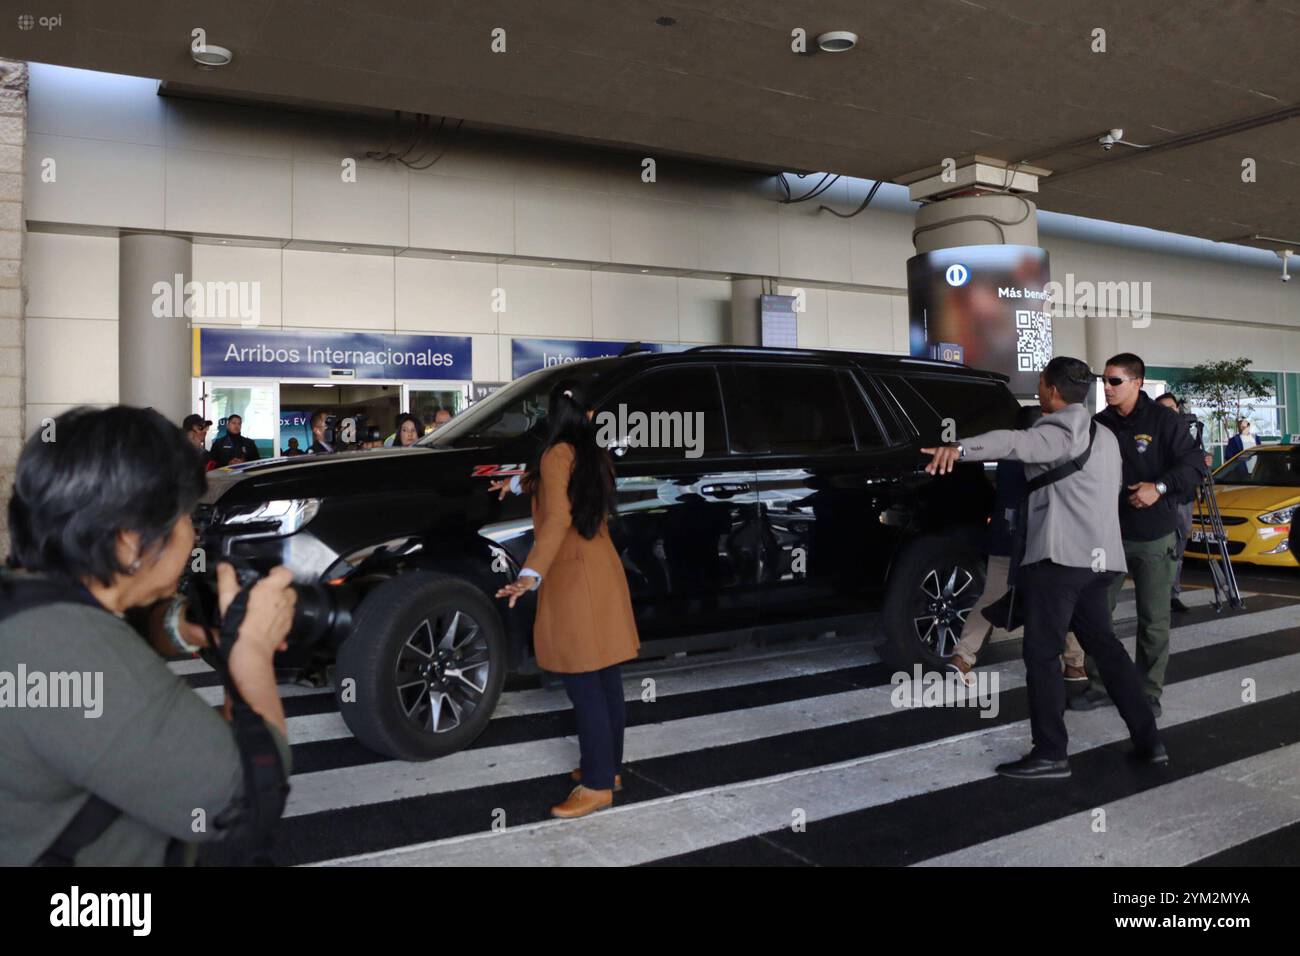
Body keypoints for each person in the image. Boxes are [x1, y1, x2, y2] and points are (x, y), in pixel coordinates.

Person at [0, 406, 296, 865]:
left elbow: (112, 618)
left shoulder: (25, 595)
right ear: (129, 542)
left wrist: (183, 627)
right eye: (184, 519)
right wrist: (250, 649)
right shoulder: (78, 661)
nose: (192, 538)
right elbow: (245, 799)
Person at [922, 356, 1165, 779]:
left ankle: (1051, 752)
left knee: (1041, 653)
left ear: (1052, 390)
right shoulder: (1105, 435)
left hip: (1060, 561)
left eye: (1039, 384)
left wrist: (959, 448)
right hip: (1101, 562)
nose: (1038, 391)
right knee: (1106, 649)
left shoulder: (1057, 429)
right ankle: (1150, 742)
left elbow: (1012, 443)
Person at [492, 380, 640, 817]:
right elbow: (565, 491)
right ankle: (608, 767)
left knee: (584, 682)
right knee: (606, 678)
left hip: (576, 579)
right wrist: (519, 485)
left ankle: (596, 786)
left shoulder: (557, 454)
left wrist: (529, 574)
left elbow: (558, 517)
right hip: (602, 571)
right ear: (587, 417)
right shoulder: (595, 454)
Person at [1071, 354, 1207, 718]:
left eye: (1115, 381)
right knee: (1097, 616)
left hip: (1152, 534)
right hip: (1106, 536)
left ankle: (1148, 692)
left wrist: (1158, 487)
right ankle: (1101, 685)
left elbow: (1194, 467)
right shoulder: (1098, 424)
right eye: (1105, 381)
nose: (1107, 387)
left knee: (1153, 619)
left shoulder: (1165, 421)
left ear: (1137, 383)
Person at [946, 405, 1088, 687]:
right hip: (1040, 540)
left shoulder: (1008, 457)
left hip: (1004, 535)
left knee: (991, 596)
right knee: (1059, 598)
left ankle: (962, 657)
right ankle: (1074, 663)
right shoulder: (1043, 455)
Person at [1155, 393, 1196, 614]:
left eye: (1173, 408)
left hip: (1185, 500)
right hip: (1163, 500)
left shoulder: (1187, 434)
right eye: (1164, 408)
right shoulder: (1154, 436)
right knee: (1161, 551)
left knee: (1179, 550)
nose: (1170, 412)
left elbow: (1193, 464)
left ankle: (1173, 594)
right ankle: (1158, 594)